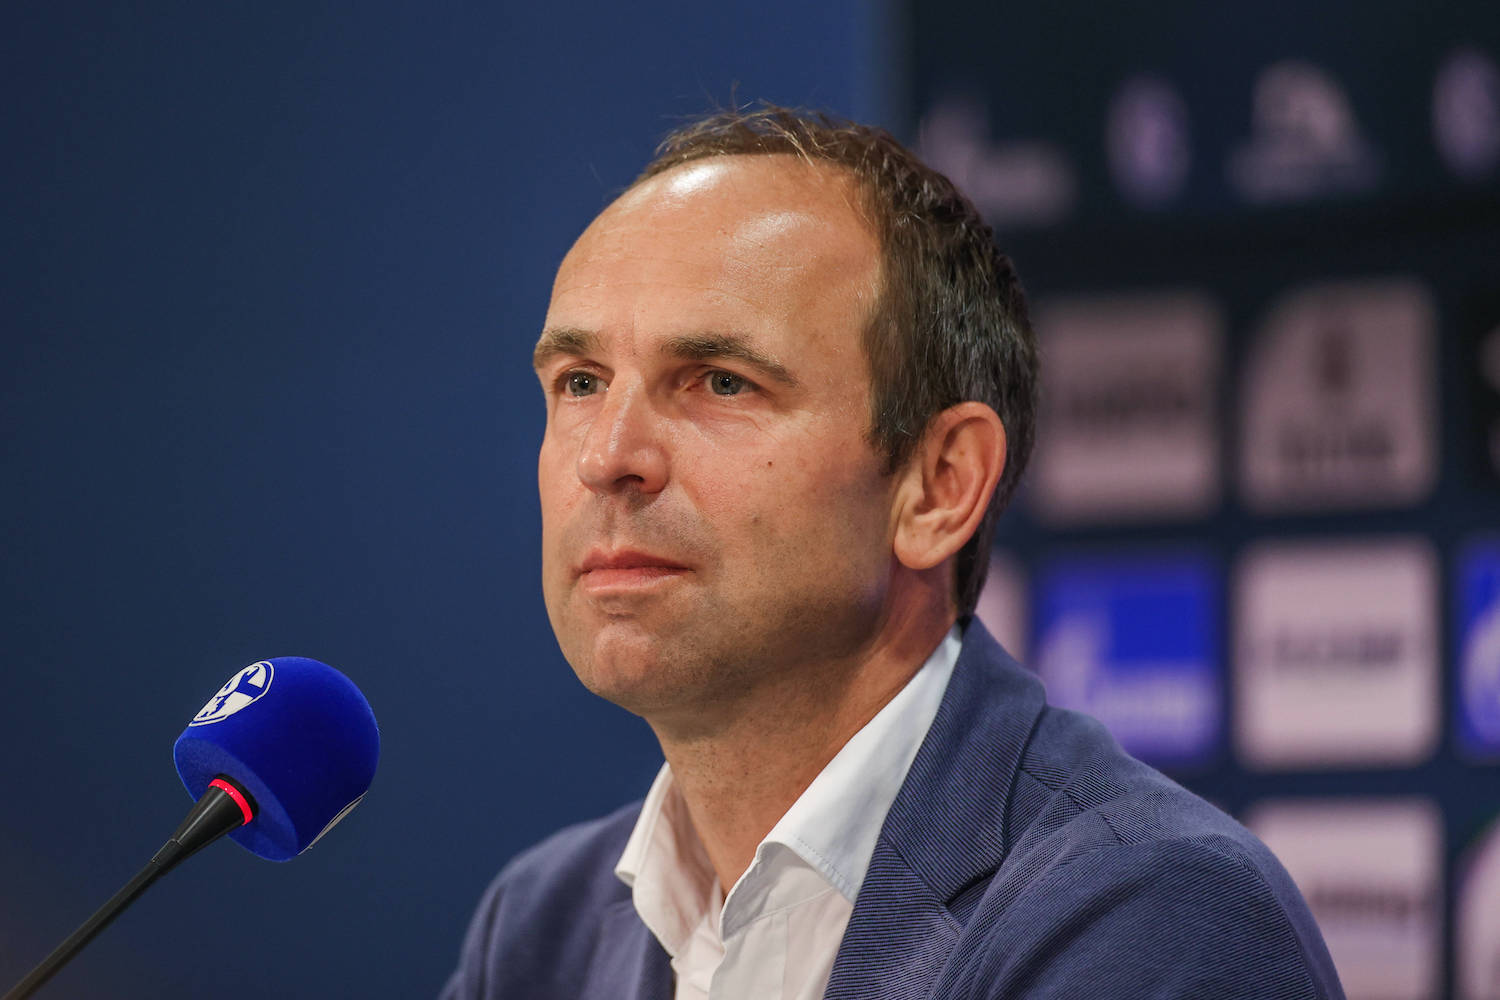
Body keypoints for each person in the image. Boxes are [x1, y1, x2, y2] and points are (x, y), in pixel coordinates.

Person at [441, 106, 1343, 999]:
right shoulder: (538, 930)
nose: (607, 458)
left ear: (940, 486)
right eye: (580, 383)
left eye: (720, 382)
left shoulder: (1149, 915)